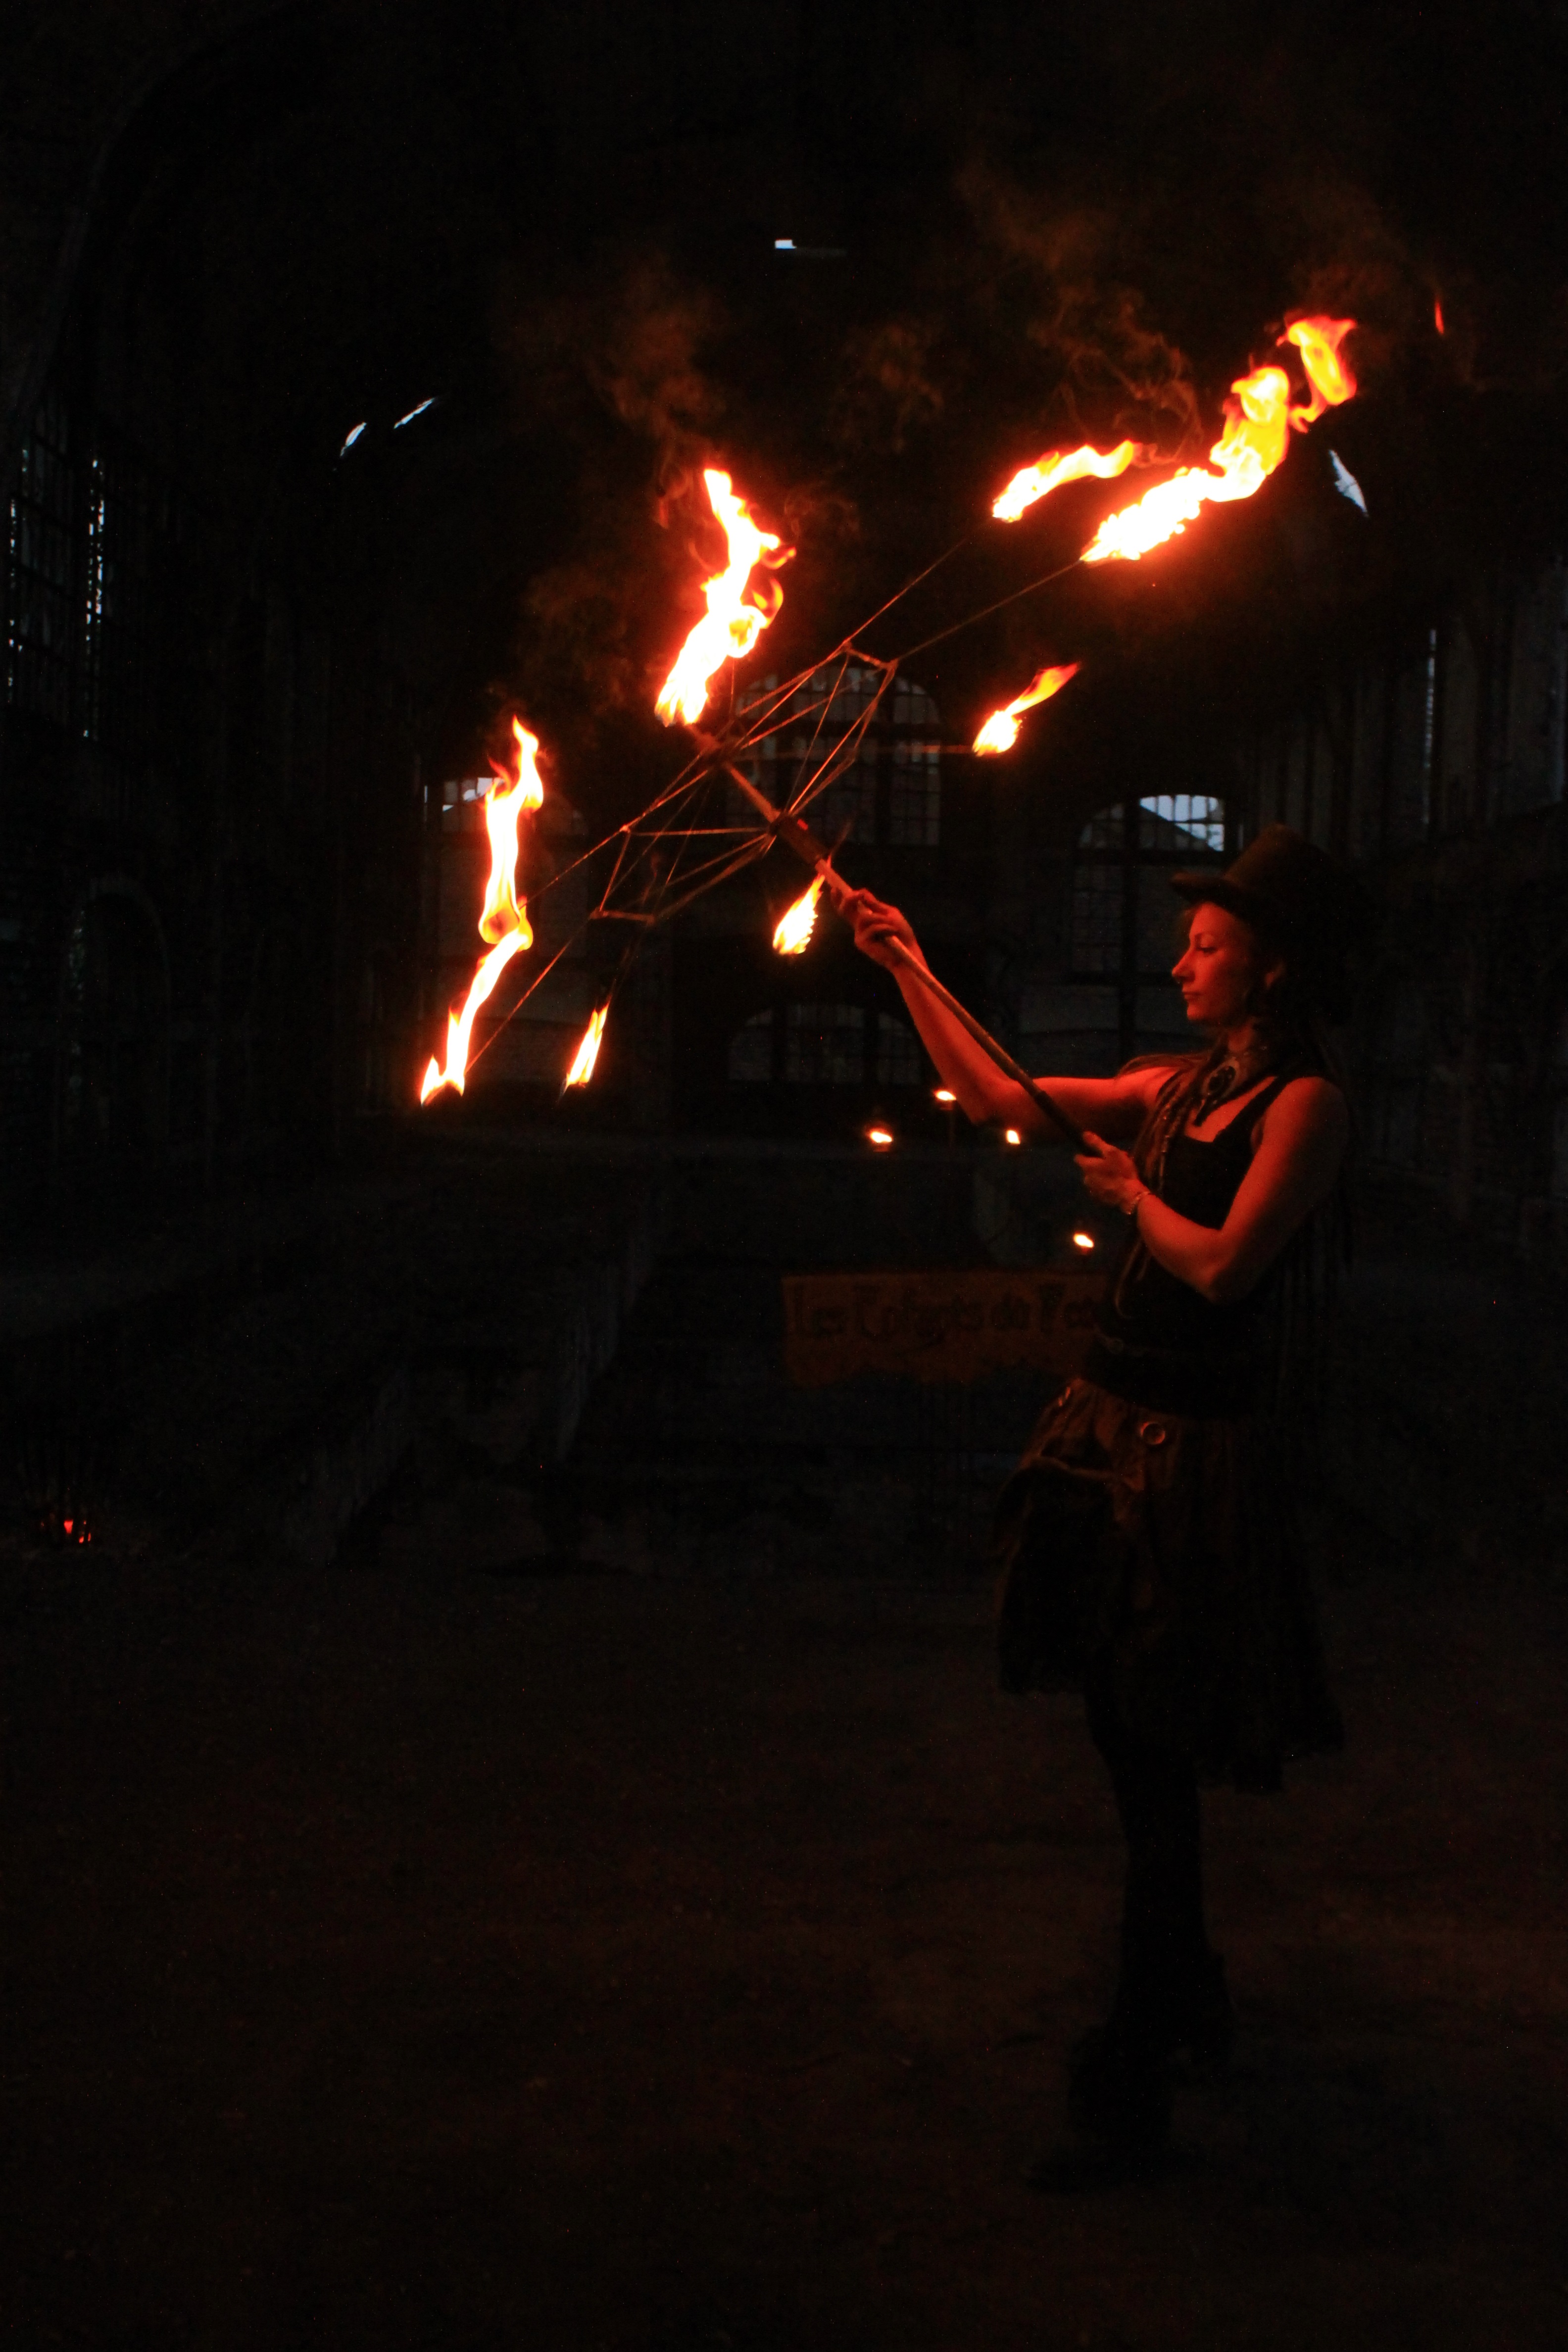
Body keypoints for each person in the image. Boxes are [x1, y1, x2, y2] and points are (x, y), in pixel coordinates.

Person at [847, 823, 1364, 2192]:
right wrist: (907, 963)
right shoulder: (1185, 1083)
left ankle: (1141, 2044)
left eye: (1208, 946)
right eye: (1189, 942)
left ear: (1274, 969)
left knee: (1152, 1743)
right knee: (1127, 1740)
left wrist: (1136, 1198)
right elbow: (1003, 1099)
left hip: (1195, 1455)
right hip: (1110, 1426)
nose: (1182, 958)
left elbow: (1228, 1268)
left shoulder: (1302, 1104)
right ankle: (1183, 1987)